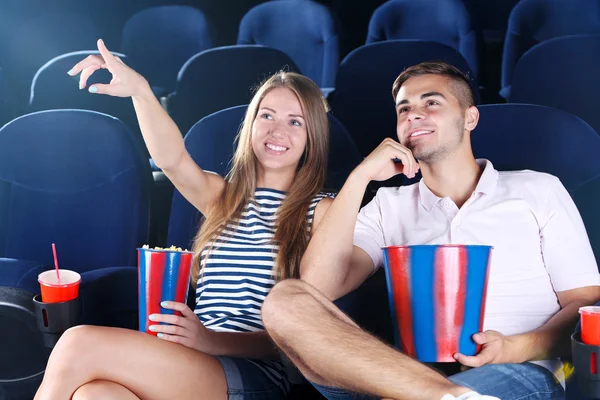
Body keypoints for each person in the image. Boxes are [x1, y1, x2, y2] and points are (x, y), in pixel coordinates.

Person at [261, 61, 600, 400]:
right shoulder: (387, 205)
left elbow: (585, 302)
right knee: (285, 299)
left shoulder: (537, 189)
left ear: (469, 118)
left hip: (525, 370)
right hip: (401, 376)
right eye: (404, 109)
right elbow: (320, 285)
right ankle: (444, 395)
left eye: (431, 103)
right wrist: (359, 177)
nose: (413, 115)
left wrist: (515, 347)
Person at [34, 39, 334, 400]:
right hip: (192, 361)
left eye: (295, 122)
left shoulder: (321, 210)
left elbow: (304, 336)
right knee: (96, 394)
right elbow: (172, 159)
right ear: (251, 125)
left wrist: (210, 340)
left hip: (257, 376)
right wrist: (141, 92)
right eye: (266, 115)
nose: (277, 130)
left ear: (312, 137)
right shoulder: (223, 197)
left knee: (77, 343)